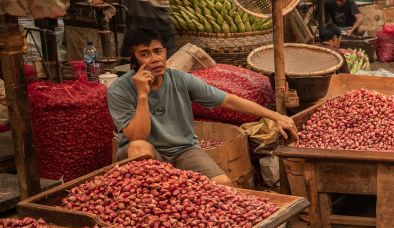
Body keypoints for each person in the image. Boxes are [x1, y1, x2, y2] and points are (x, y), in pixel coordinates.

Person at [109, 27, 297, 183]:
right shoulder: (119, 90)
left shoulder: (180, 79)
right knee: (139, 147)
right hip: (147, 152)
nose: (155, 59)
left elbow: (228, 100)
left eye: (158, 51)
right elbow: (137, 136)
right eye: (145, 54)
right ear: (133, 62)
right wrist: (142, 95)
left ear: (165, 52)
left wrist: (275, 116)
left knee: (222, 183)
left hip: (183, 150)